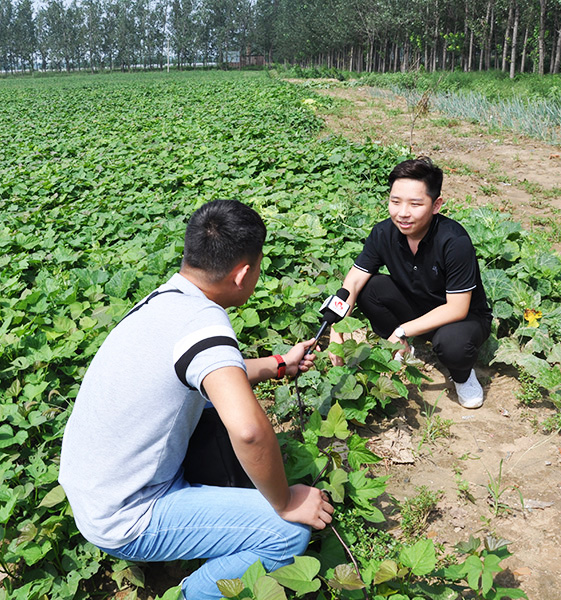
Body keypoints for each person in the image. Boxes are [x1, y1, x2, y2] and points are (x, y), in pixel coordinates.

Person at [59, 200, 334, 599]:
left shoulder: (165, 300)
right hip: (126, 516)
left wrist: (278, 364)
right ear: (243, 273)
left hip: (92, 486)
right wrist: (286, 500)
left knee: (211, 399)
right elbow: (250, 432)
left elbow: (209, 367)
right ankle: (194, 594)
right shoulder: (206, 321)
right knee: (286, 535)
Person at [328, 157, 492, 408]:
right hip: (417, 307)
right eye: (395, 202)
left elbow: (457, 308)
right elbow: (354, 280)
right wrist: (335, 327)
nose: (402, 213)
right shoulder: (383, 232)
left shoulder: (454, 241)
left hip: (462, 318)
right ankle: (404, 347)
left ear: (436, 205)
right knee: (368, 288)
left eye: (415, 204)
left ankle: (462, 374)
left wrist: (401, 329)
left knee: (452, 344)